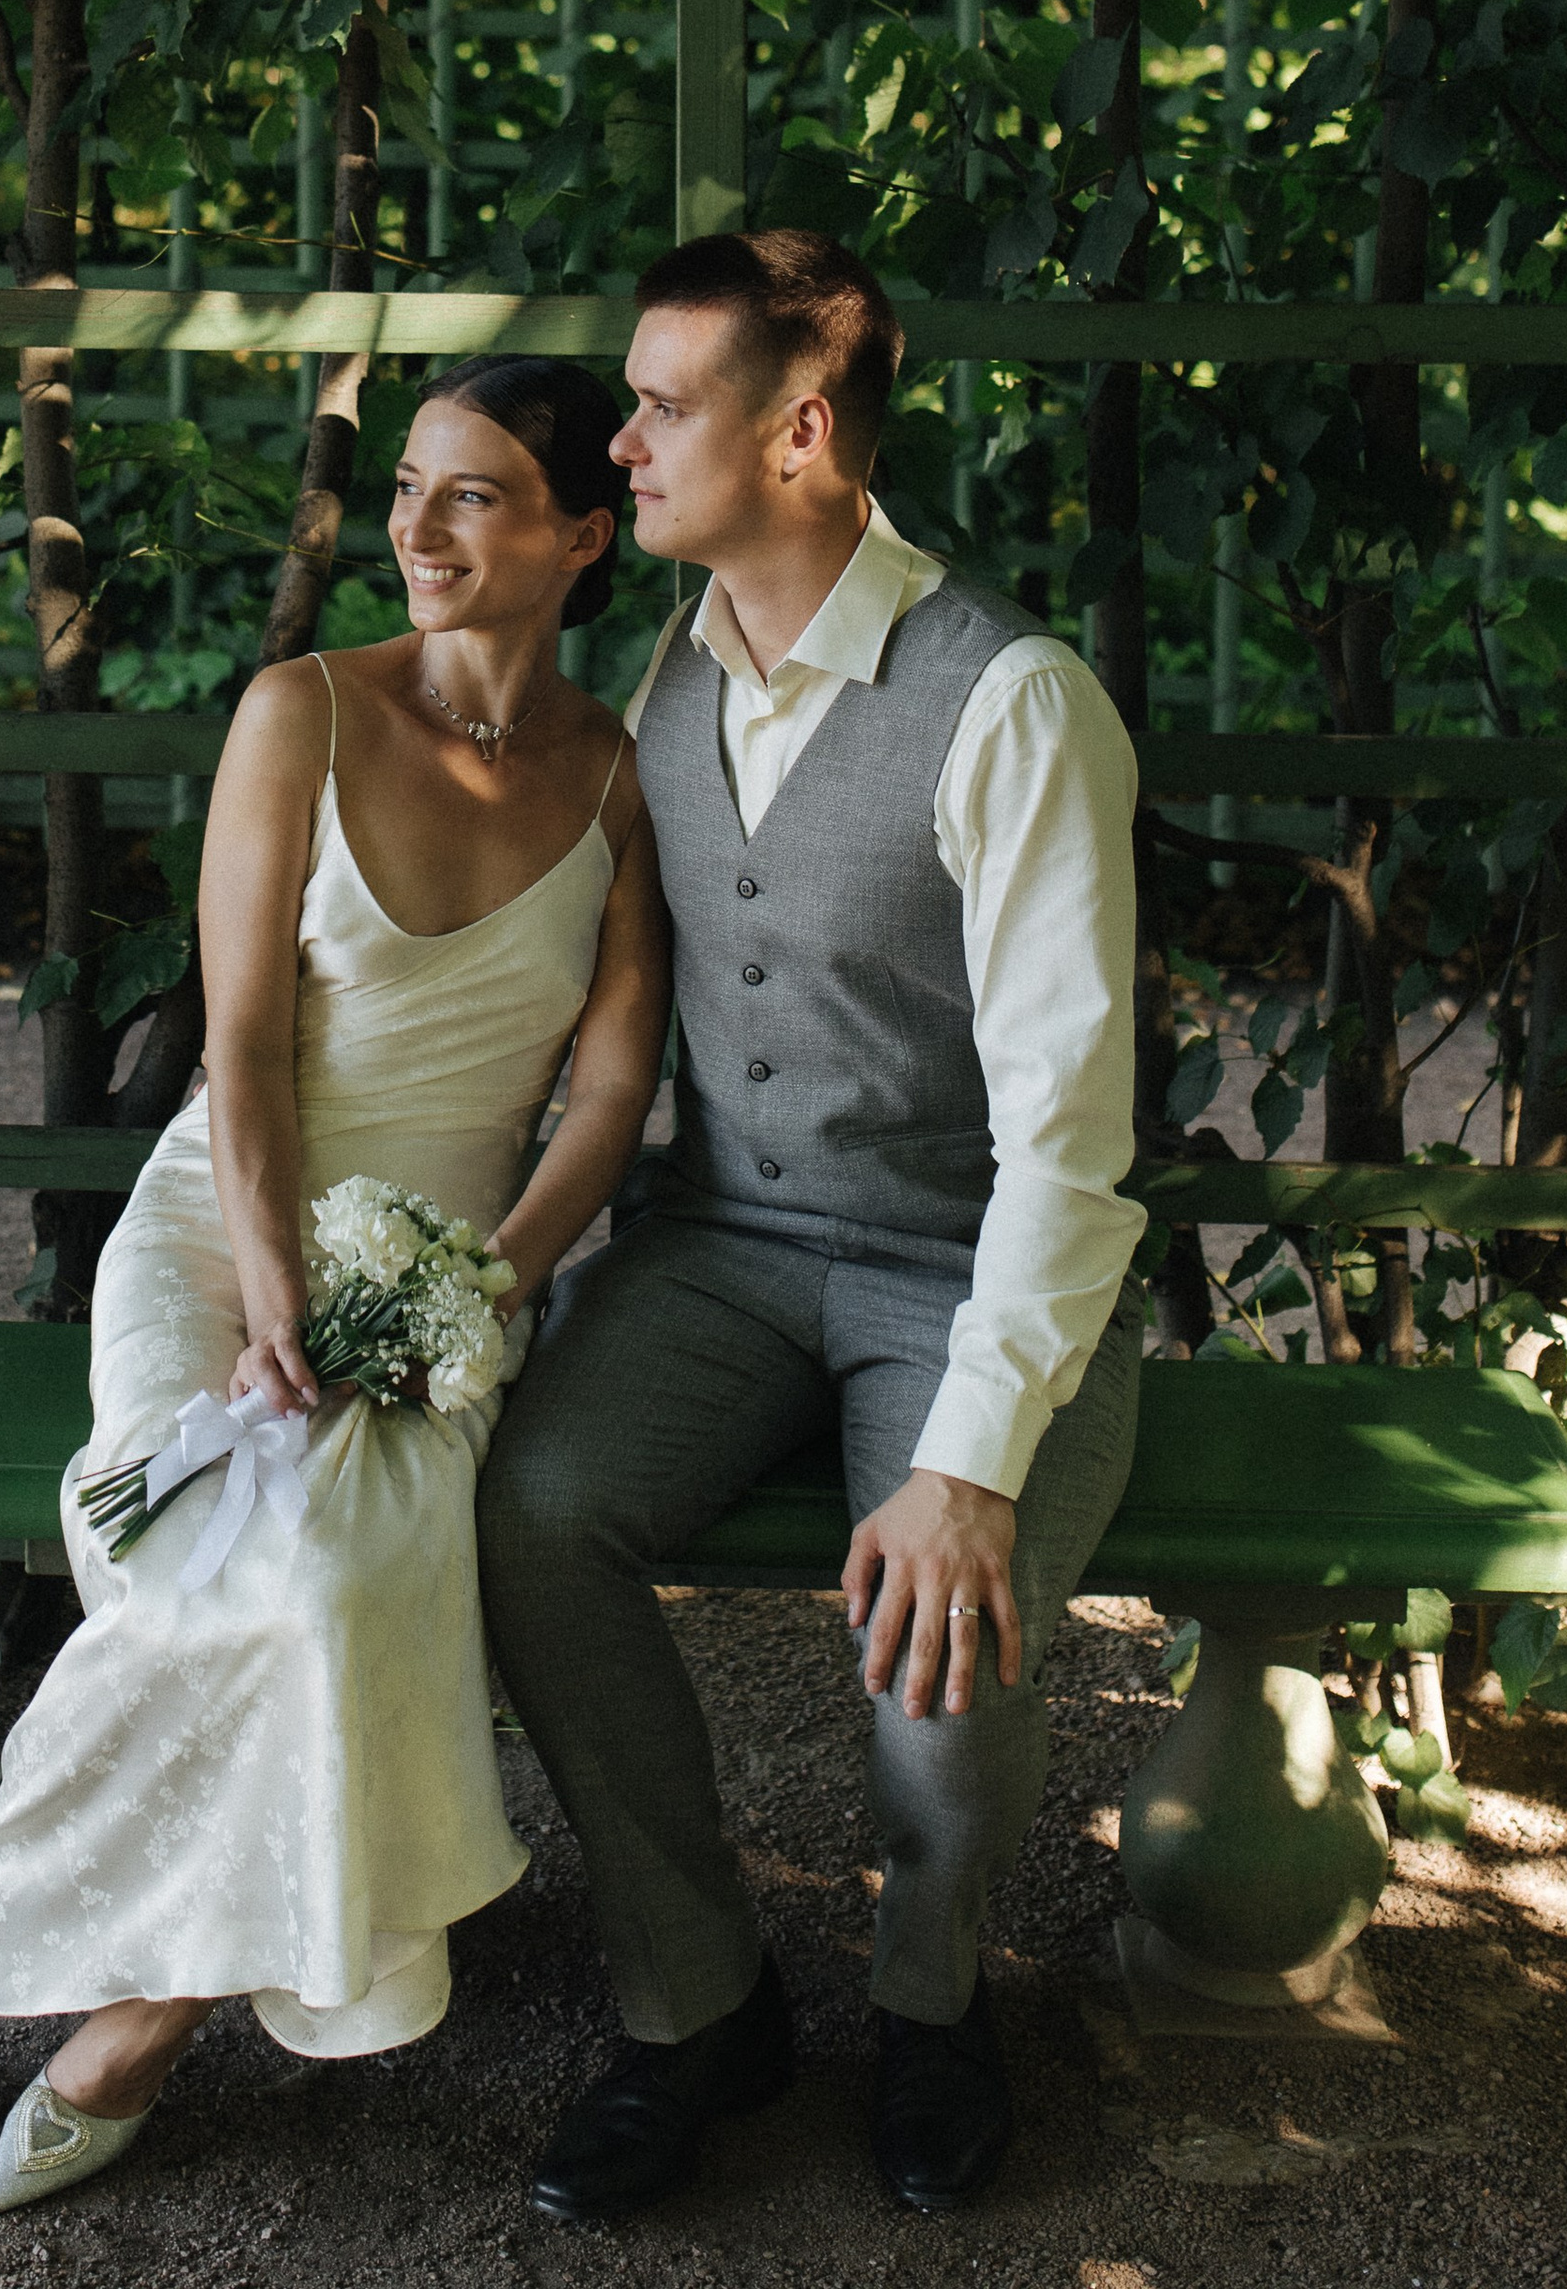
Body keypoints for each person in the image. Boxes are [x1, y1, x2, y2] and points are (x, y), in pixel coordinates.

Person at [0, 356, 668, 2217]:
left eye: (476, 495)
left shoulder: (625, 775)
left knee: (333, 1578)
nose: (415, 528)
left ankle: (57, 2005)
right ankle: (13, 1993)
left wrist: (476, 1290)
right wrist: (275, 1297)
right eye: (410, 484)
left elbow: (607, 1090)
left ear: (587, 533)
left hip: (448, 1285)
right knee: (194, 1560)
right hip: (215, 1233)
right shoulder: (300, 715)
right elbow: (243, 1047)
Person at [479, 228, 1144, 2226]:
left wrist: (964, 1462)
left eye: (658, 405)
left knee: (939, 1630)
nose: (616, 441)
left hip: (974, 1261)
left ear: (797, 432)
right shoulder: (674, 650)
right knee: (530, 1511)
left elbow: (1071, 1146)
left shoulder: (1006, 702)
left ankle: (932, 2007)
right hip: (727, 1245)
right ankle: (693, 2004)